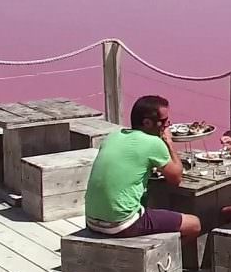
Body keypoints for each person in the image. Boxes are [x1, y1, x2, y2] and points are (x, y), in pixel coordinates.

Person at [84, 95, 202, 245]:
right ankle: (168, 259)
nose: (168, 126)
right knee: (194, 224)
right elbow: (176, 178)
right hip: (121, 224)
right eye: (164, 122)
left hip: (91, 220)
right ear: (147, 122)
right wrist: (169, 142)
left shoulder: (113, 137)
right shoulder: (152, 143)